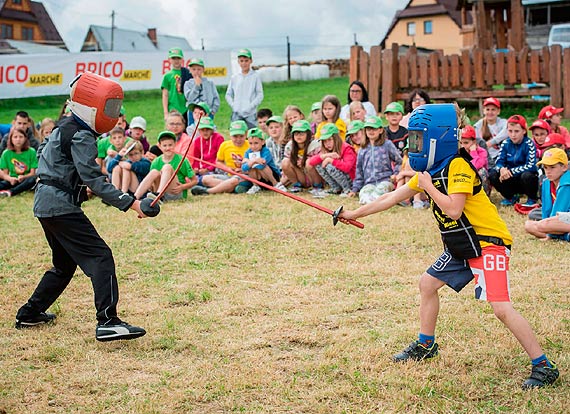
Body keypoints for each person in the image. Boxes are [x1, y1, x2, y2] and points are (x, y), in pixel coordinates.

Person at [338, 103, 560, 389]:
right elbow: (391, 197)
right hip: (461, 244)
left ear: (436, 138)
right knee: (427, 285)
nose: (412, 145)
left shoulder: (458, 166)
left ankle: (543, 365)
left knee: (501, 309)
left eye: (417, 138)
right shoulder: (429, 171)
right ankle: (426, 345)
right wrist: (352, 214)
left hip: (487, 243)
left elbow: (454, 210)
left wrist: (429, 187)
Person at [15, 72, 151, 342]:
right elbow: (94, 179)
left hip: (44, 202)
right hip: (60, 206)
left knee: (64, 265)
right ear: (91, 107)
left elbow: (45, 157)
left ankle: (29, 313)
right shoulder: (81, 134)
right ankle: (108, 321)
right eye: (108, 107)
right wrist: (133, 203)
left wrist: (71, 182)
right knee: (100, 257)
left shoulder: (62, 127)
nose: (111, 114)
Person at [348, 116, 402, 205]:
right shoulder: (362, 149)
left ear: (380, 130)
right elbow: (359, 171)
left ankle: (376, 203)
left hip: (386, 181)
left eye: (374, 129)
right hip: (369, 183)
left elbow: (399, 161)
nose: (371, 131)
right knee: (363, 194)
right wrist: (355, 189)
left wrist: (395, 174)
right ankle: (374, 203)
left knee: (380, 191)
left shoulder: (387, 144)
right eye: (368, 129)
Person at [489, 115, 539, 207]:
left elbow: (531, 165)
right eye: (510, 131)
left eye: (516, 131)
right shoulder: (505, 143)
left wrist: (510, 171)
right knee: (492, 173)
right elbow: (499, 162)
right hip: (509, 179)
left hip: (524, 179)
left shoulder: (529, 144)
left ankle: (532, 198)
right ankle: (510, 197)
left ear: (524, 131)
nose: (513, 135)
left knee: (527, 175)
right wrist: (501, 169)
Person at [134, 131, 197, 201]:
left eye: (170, 145)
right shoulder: (156, 161)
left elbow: (194, 181)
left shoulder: (182, 160)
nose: (167, 148)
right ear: (160, 146)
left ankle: (159, 195)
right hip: (161, 193)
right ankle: (135, 197)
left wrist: (182, 187)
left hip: (175, 192)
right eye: (165, 145)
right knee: (154, 171)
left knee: (167, 167)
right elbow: (153, 183)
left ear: (175, 144)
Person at [191, 120, 251, 195]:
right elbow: (218, 162)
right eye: (235, 136)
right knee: (205, 179)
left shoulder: (250, 145)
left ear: (246, 134)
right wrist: (228, 169)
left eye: (241, 136)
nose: (238, 139)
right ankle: (231, 188)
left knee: (234, 181)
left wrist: (244, 170)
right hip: (228, 175)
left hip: (244, 176)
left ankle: (208, 191)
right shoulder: (225, 145)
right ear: (230, 134)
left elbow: (255, 167)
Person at [525, 148, 570, 241]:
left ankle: (557, 235)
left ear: (565, 167)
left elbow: (559, 210)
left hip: (563, 216)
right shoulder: (546, 182)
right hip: (557, 220)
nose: (548, 171)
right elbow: (546, 210)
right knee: (528, 225)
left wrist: (548, 230)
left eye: (552, 167)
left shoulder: (567, 183)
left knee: (543, 225)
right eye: (545, 167)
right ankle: (565, 236)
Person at [308, 123, 356, 197]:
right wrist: (327, 155)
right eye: (324, 141)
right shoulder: (327, 150)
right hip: (341, 177)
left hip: (351, 179)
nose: (327, 144)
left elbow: (347, 167)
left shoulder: (347, 148)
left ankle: (347, 189)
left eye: (329, 140)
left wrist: (331, 161)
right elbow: (311, 162)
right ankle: (336, 188)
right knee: (318, 164)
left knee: (329, 166)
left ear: (336, 138)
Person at [225, 48, 264, 128]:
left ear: (251, 61)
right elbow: (228, 94)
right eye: (241, 61)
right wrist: (233, 105)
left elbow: (260, 94)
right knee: (237, 135)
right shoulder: (234, 77)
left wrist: (251, 106)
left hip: (250, 114)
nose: (244, 63)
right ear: (238, 62)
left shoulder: (255, 76)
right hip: (236, 114)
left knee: (251, 136)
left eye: (246, 60)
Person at [281, 119, 321, 193]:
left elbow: (320, 161)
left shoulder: (315, 145)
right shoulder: (290, 146)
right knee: (285, 161)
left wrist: (304, 161)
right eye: (296, 134)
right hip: (300, 174)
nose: (298, 136)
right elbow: (287, 162)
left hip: (313, 175)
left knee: (309, 162)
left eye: (302, 133)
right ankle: (297, 185)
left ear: (308, 134)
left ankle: (317, 186)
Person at [242, 127, 284, 194]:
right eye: (250, 143)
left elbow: (261, 165)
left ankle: (276, 184)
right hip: (260, 179)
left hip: (272, 176)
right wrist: (254, 161)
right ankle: (255, 186)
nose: (253, 146)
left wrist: (250, 161)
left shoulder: (266, 151)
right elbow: (244, 168)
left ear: (263, 142)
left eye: (256, 143)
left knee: (262, 166)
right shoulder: (247, 152)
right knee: (251, 167)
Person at [0, 128, 37, 197]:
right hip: (12, 180)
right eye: (15, 137)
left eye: (21, 137)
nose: (18, 139)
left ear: (25, 138)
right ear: (11, 139)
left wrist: (23, 177)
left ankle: (11, 192)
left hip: (25, 179)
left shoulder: (31, 151)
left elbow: (33, 173)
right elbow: (5, 174)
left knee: (33, 180)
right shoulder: (6, 153)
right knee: (3, 183)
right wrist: (11, 179)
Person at [183, 57, 220, 126]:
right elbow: (189, 98)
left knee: (207, 129)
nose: (196, 71)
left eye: (199, 69)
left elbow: (216, 97)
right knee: (193, 129)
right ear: (190, 70)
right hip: (193, 112)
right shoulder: (188, 84)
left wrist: (213, 110)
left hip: (207, 111)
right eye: (193, 69)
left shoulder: (210, 83)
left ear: (203, 70)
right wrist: (197, 86)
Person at [473, 97, 508, 168]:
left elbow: (506, 132)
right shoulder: (478, 125)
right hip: (486, 157)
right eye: (487, 109)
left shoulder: (503, 122)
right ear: (483, 111)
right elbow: (477, 142)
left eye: (493, 110)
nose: (490, 112)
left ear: (498, 111)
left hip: (501, 155)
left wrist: (491, 142)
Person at [161, 47, 190, 123]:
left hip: (186, 108)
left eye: (178, 58)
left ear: (182, 59)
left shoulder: (187, 73)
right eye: (174, 58)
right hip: (173, 108)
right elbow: (165, 94)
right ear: (169, 59)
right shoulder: (167, 76)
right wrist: (166, 112)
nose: (176, 61)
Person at [461, 125, 490, 196]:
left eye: (466, 143)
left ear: (474, 142)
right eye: (460, 143)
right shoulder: (459, 151)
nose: (462, 146)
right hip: (464, 180)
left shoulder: (482, 152)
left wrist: (473, 152)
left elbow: (475, 166)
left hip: (477, 181)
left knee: (481, 171)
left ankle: (483, 196)